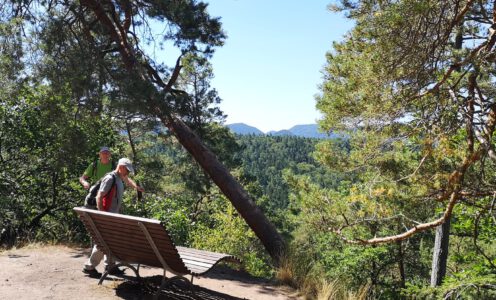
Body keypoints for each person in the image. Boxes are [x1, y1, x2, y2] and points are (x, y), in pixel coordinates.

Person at [82, 157, 144, 278]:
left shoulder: (120, 177)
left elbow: (127, 180)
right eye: (127, 170)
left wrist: (136, 187)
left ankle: (110, 266)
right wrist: (102, 215)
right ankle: (89, 267)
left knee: (110, 240)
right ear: (121, 167)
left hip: (111, 214)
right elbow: (99, 196)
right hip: (106, 215)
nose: (128, 172)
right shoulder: (110, 178)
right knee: (103, 241)